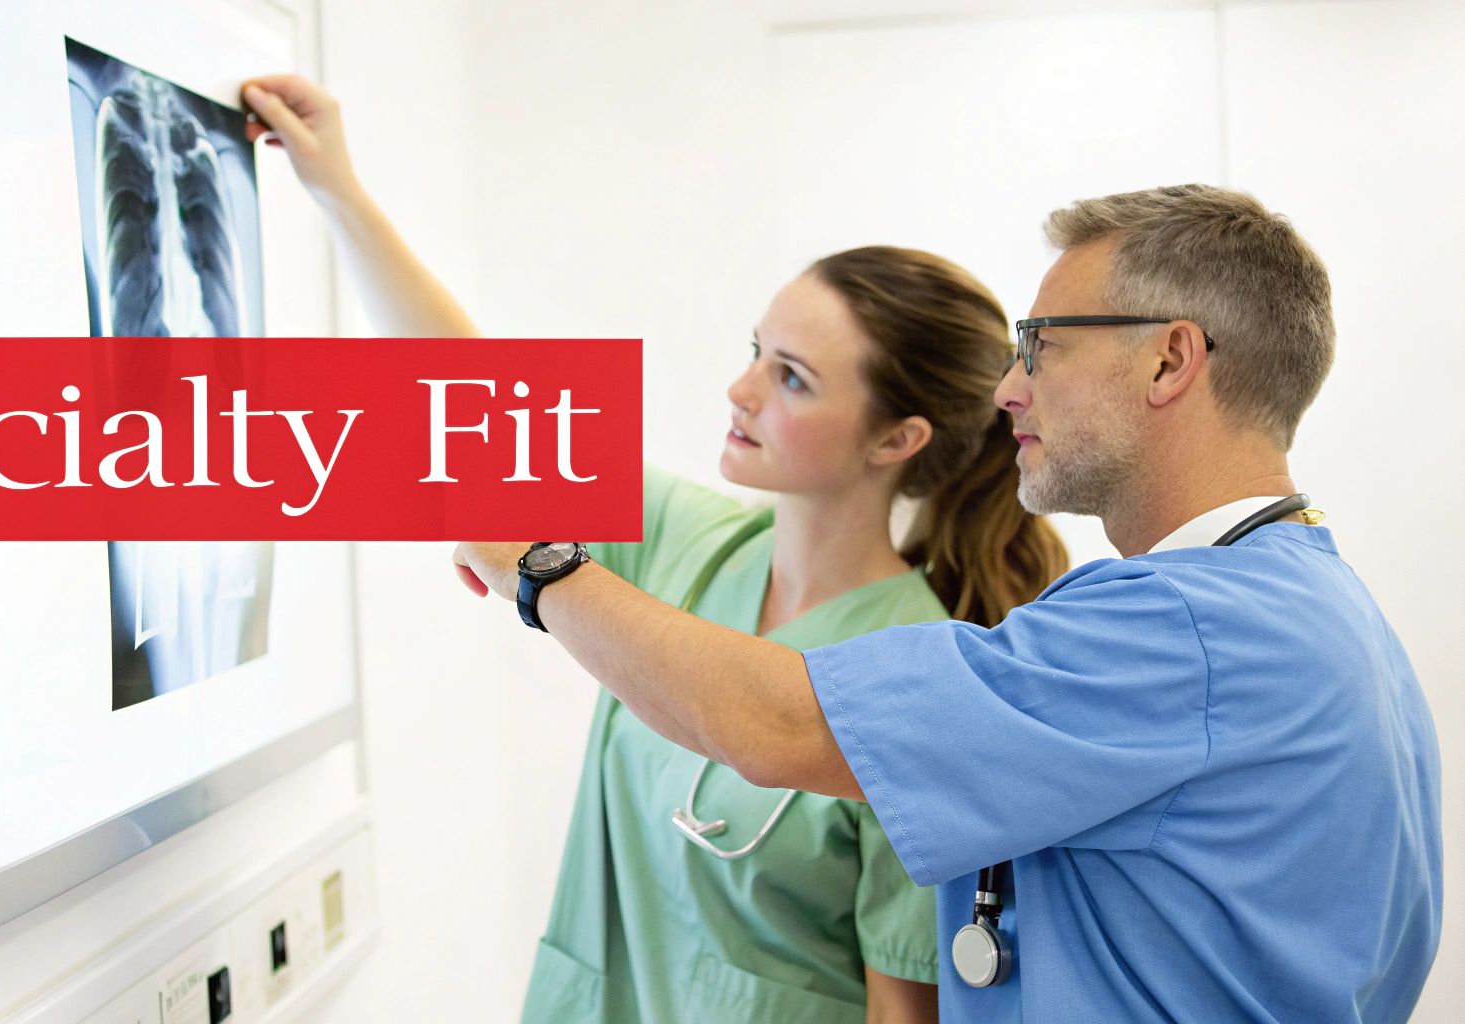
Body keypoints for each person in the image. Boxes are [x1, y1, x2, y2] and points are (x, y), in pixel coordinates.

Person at [445, 184, 1443, 1021]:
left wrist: (540, 572)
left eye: (1040, 343)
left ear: (1168, 359)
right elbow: (467, 393)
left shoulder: (1189, 628)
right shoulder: (1321, 611)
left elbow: (771, 720)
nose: (1008, 388)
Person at [241, 76, 1070, 1022]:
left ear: (897, 440)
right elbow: (472, 395)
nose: (740, 389)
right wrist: (339, 191)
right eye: (755, 349)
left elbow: (904, 1011)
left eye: (790, 378)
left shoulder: (918, 682)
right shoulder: (692, 545)